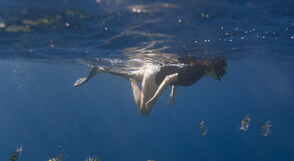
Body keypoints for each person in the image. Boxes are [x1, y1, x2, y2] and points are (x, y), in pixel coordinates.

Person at [73, 57, 227, 116]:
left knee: (130, 75)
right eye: (217, 75)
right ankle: (132, 81)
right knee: (144, 111)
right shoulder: (197, 73)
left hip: (153, 70)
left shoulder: (198, 68)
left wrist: (173, 95)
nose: (216, 78)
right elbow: (169, 79)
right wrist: (154, 99)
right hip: (153, 76)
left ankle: (101, 69)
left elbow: (179, 75)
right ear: (212, 70)